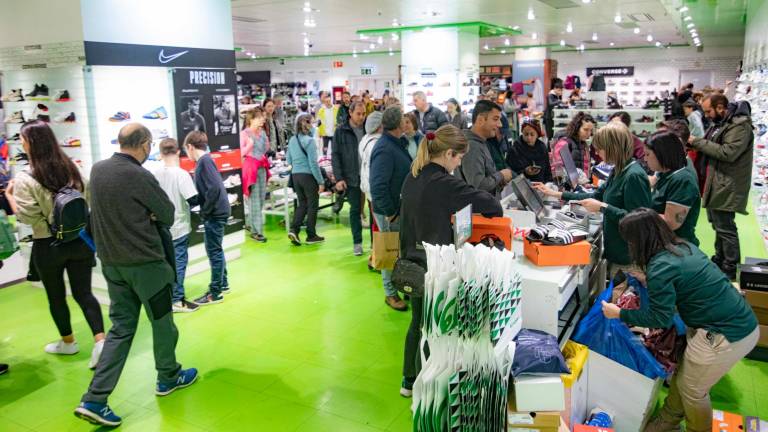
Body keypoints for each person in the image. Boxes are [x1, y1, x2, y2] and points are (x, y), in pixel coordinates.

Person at [74, 123, 197, 427]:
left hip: (113, 266)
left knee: (120, 330)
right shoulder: (140, 175)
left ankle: (94, 398)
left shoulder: (98, 170)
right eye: (149, 145)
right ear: (142, 144)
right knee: (162, 322)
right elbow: (167, 214)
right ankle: (168, 377)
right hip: (147, 267)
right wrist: (150, 215)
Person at [602, 208, 758, 432]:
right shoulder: (682, 247)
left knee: (693, 391)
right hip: (733, 321)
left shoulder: (660, 267)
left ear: (637, 240)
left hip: (724, 334)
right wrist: (650, 280)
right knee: (682, 380)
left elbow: (660, 317)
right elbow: (683, 282)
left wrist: (618, 313)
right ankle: (668, 420)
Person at [398, 124, 503, 397]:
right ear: (447, 154)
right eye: (458, 157)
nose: (459, 163)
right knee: (435, 326)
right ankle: (430, 383)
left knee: (418, 322)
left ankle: (409, 380)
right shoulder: (443, 182)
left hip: (411, 259)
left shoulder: (414, 175)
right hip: (434, 265)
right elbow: (491, 204)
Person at [9, 120, 105, 366]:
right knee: (84, 293)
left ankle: (68, 342)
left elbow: (28, 217)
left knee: (56, 297)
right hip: (79, 240)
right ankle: (101, 343)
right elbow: (89, 198)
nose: (21, 143)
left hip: (48, 245)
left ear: (31, 143)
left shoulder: (25, 178)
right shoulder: (73, 168)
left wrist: (10, 198)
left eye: (23, 139)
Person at [535, 122, 652, 275]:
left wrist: (602, 207)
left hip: (627, 259)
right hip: (616, 252)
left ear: (613, 147)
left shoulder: (633, 176)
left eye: (600, 148)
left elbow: (639, 221)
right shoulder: (619, 169)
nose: (597, 152)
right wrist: (557, 194)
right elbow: (596, 195)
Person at [688, 94, 753, 280]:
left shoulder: (740, 126)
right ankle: (720, 259)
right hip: (718, 181)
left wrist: (697, 142)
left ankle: (730, 267)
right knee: (718, 224)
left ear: (721, 107)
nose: (706, 115)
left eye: (709, 111)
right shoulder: (723, 123)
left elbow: (728, 152)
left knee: (725, 226)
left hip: (727, 183)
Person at [150, 138, 200, 313]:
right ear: (178, 151)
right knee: (179, 263)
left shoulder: (153, 173)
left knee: (164, 264)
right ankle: (177, 300)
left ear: (161, 153)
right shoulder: (181, 174)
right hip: (179, 226)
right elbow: (193, 199)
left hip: (160, 228)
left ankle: (168, 298)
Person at [370, 105, 412, 311]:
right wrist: (390, 212)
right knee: (388, 251)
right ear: (397, 123)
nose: (407, 121)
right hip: (388, 211)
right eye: (404, 118)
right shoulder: (385, 148)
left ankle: (401, 285)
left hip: (397, 208)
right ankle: (390, 293)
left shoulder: (396, 143)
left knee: (399, 250)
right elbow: (377, 185)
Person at [184, 131, 231, 305]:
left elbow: (213, 190)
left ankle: (215, 292)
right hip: (217, 211)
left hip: (215, 213)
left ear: (190, 146)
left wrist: (205, 211)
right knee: (216, 249)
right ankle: (223, 283)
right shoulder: (206, 161)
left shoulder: (204, 162)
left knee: (213, 251)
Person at [644, 131, 700, 246]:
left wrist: (635, 212)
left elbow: (671, 223)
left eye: (648, 154)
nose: (645, 159)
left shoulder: (682, 180)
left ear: (662, 154)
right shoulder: (665, 173)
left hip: (677, 246)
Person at [332, 101, 366, 255]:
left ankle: (376, 244)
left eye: (364, 113)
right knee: (355, 210)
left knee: (373, 210)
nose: (361, 117)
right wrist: (339, 178)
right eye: (358, 114)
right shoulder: (341, 131)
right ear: (350, 113)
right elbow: (335, 155)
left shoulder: (368, 129)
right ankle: (357, 243)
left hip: (368, 176)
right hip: (351, 177)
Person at [459, 100, 513, 195]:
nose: (500, 124)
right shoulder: (472, 147)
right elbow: (478, 186)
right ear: (480, 120)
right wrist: (501, 175)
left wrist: (499, 181)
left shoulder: (481, 143)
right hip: (479, 208)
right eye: (495, 119)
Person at [287, 114, 325, 246]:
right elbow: (313, 164)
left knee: (302, 204)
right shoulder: (310, 141)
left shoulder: (292, 140)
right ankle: (311, 235)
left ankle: (294, 229)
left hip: (295, 176)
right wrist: (321, 181)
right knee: (313, 205)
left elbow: (288, 160)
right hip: (308, 176)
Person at [240, 108, 270, 242]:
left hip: (262, 168)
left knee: (261, 198)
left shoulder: (262, 133)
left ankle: (251, 224)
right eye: (259, 118)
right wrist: (250, 145)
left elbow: (265, 149)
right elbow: (241, 153)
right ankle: (256, 231)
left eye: (262, 118)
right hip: (251, 169)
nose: (262, 120)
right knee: (254, 200)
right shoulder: (244, 134)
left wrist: (264, 138)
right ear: (251, 119)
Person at [551, 112, 595, 179]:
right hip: (568, 186)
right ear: (577, 127)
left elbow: (585, 166)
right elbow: (558, 167)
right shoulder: (564, 143)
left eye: (591, 130)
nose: (589, 133)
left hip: (580, 185)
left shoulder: (583, 143)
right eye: (586, 130)